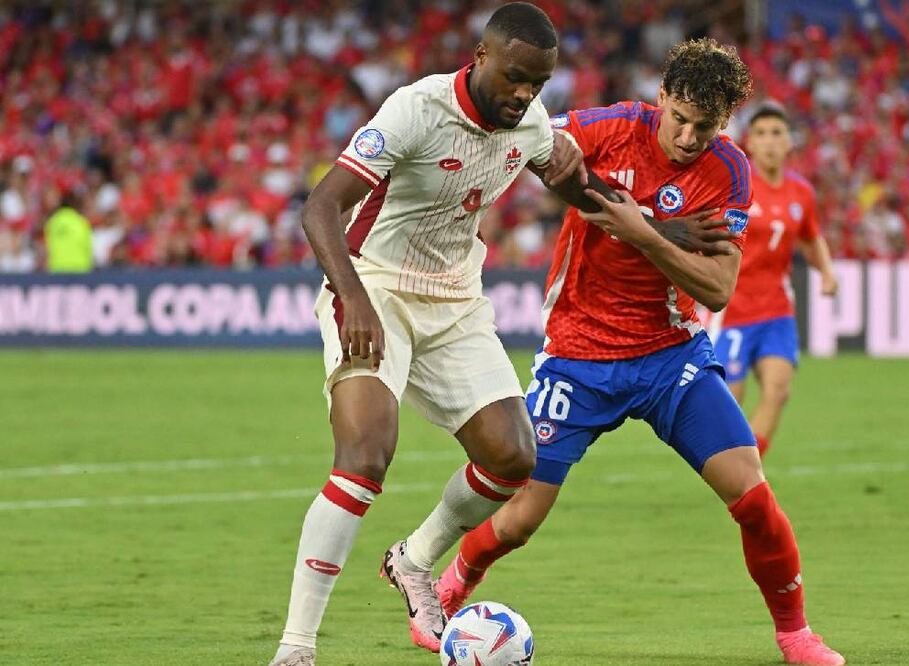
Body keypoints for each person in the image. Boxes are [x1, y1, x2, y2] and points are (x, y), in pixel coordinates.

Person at [431, 39, 846, 666]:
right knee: (518, 520)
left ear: (724, 123)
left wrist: (643, 233)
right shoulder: (614, 127)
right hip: (578, 355)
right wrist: (644, 220)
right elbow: (540, 148)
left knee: (754, 499)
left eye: (705, 128)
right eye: (680, 119)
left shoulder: (729, 170)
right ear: (662, 97)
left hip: (669, 357)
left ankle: (796, 636)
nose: (688, 138)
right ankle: (452, 583)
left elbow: (718, 287)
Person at [267, 5, 584, 665]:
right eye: (516, 78)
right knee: (364, 457)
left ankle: (413, 561)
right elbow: (321, 207)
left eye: (538, 83)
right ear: (481, 57)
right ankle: (296, 648)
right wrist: (352, 296)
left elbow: (581, 186)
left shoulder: (531, 125)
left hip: (456, 303)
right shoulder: (415, 110)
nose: (525, 94)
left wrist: (661, 230)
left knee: (513, 457)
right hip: (375, 288)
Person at [709, 103, 838, 458]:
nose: (769, 141)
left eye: (777, 133)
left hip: (777, 309)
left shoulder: (801, 192)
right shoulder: (736, 186)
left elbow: (811, 237)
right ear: (749, 143)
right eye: (761, 134)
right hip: (732, 309)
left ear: (789, 142)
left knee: (778, 389)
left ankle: (749, 464)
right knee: (729, 400)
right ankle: (728, 462)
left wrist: (826, 272)